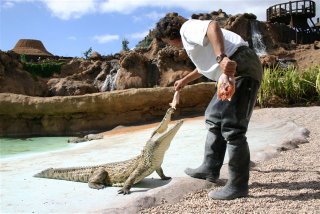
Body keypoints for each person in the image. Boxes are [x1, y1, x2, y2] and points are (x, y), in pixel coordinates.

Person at [154, 13, 263, 200]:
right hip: (236, 67)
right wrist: (184, 80)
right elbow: (204, 67)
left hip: (240, 67)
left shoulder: (187, 28)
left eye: (166, 42)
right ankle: (210, 168)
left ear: (169, 36)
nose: (169, 45)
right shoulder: (194, 40)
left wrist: (221, 58)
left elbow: (213, 25)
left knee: (232, 127)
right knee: (214, 116)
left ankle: (237, 186)